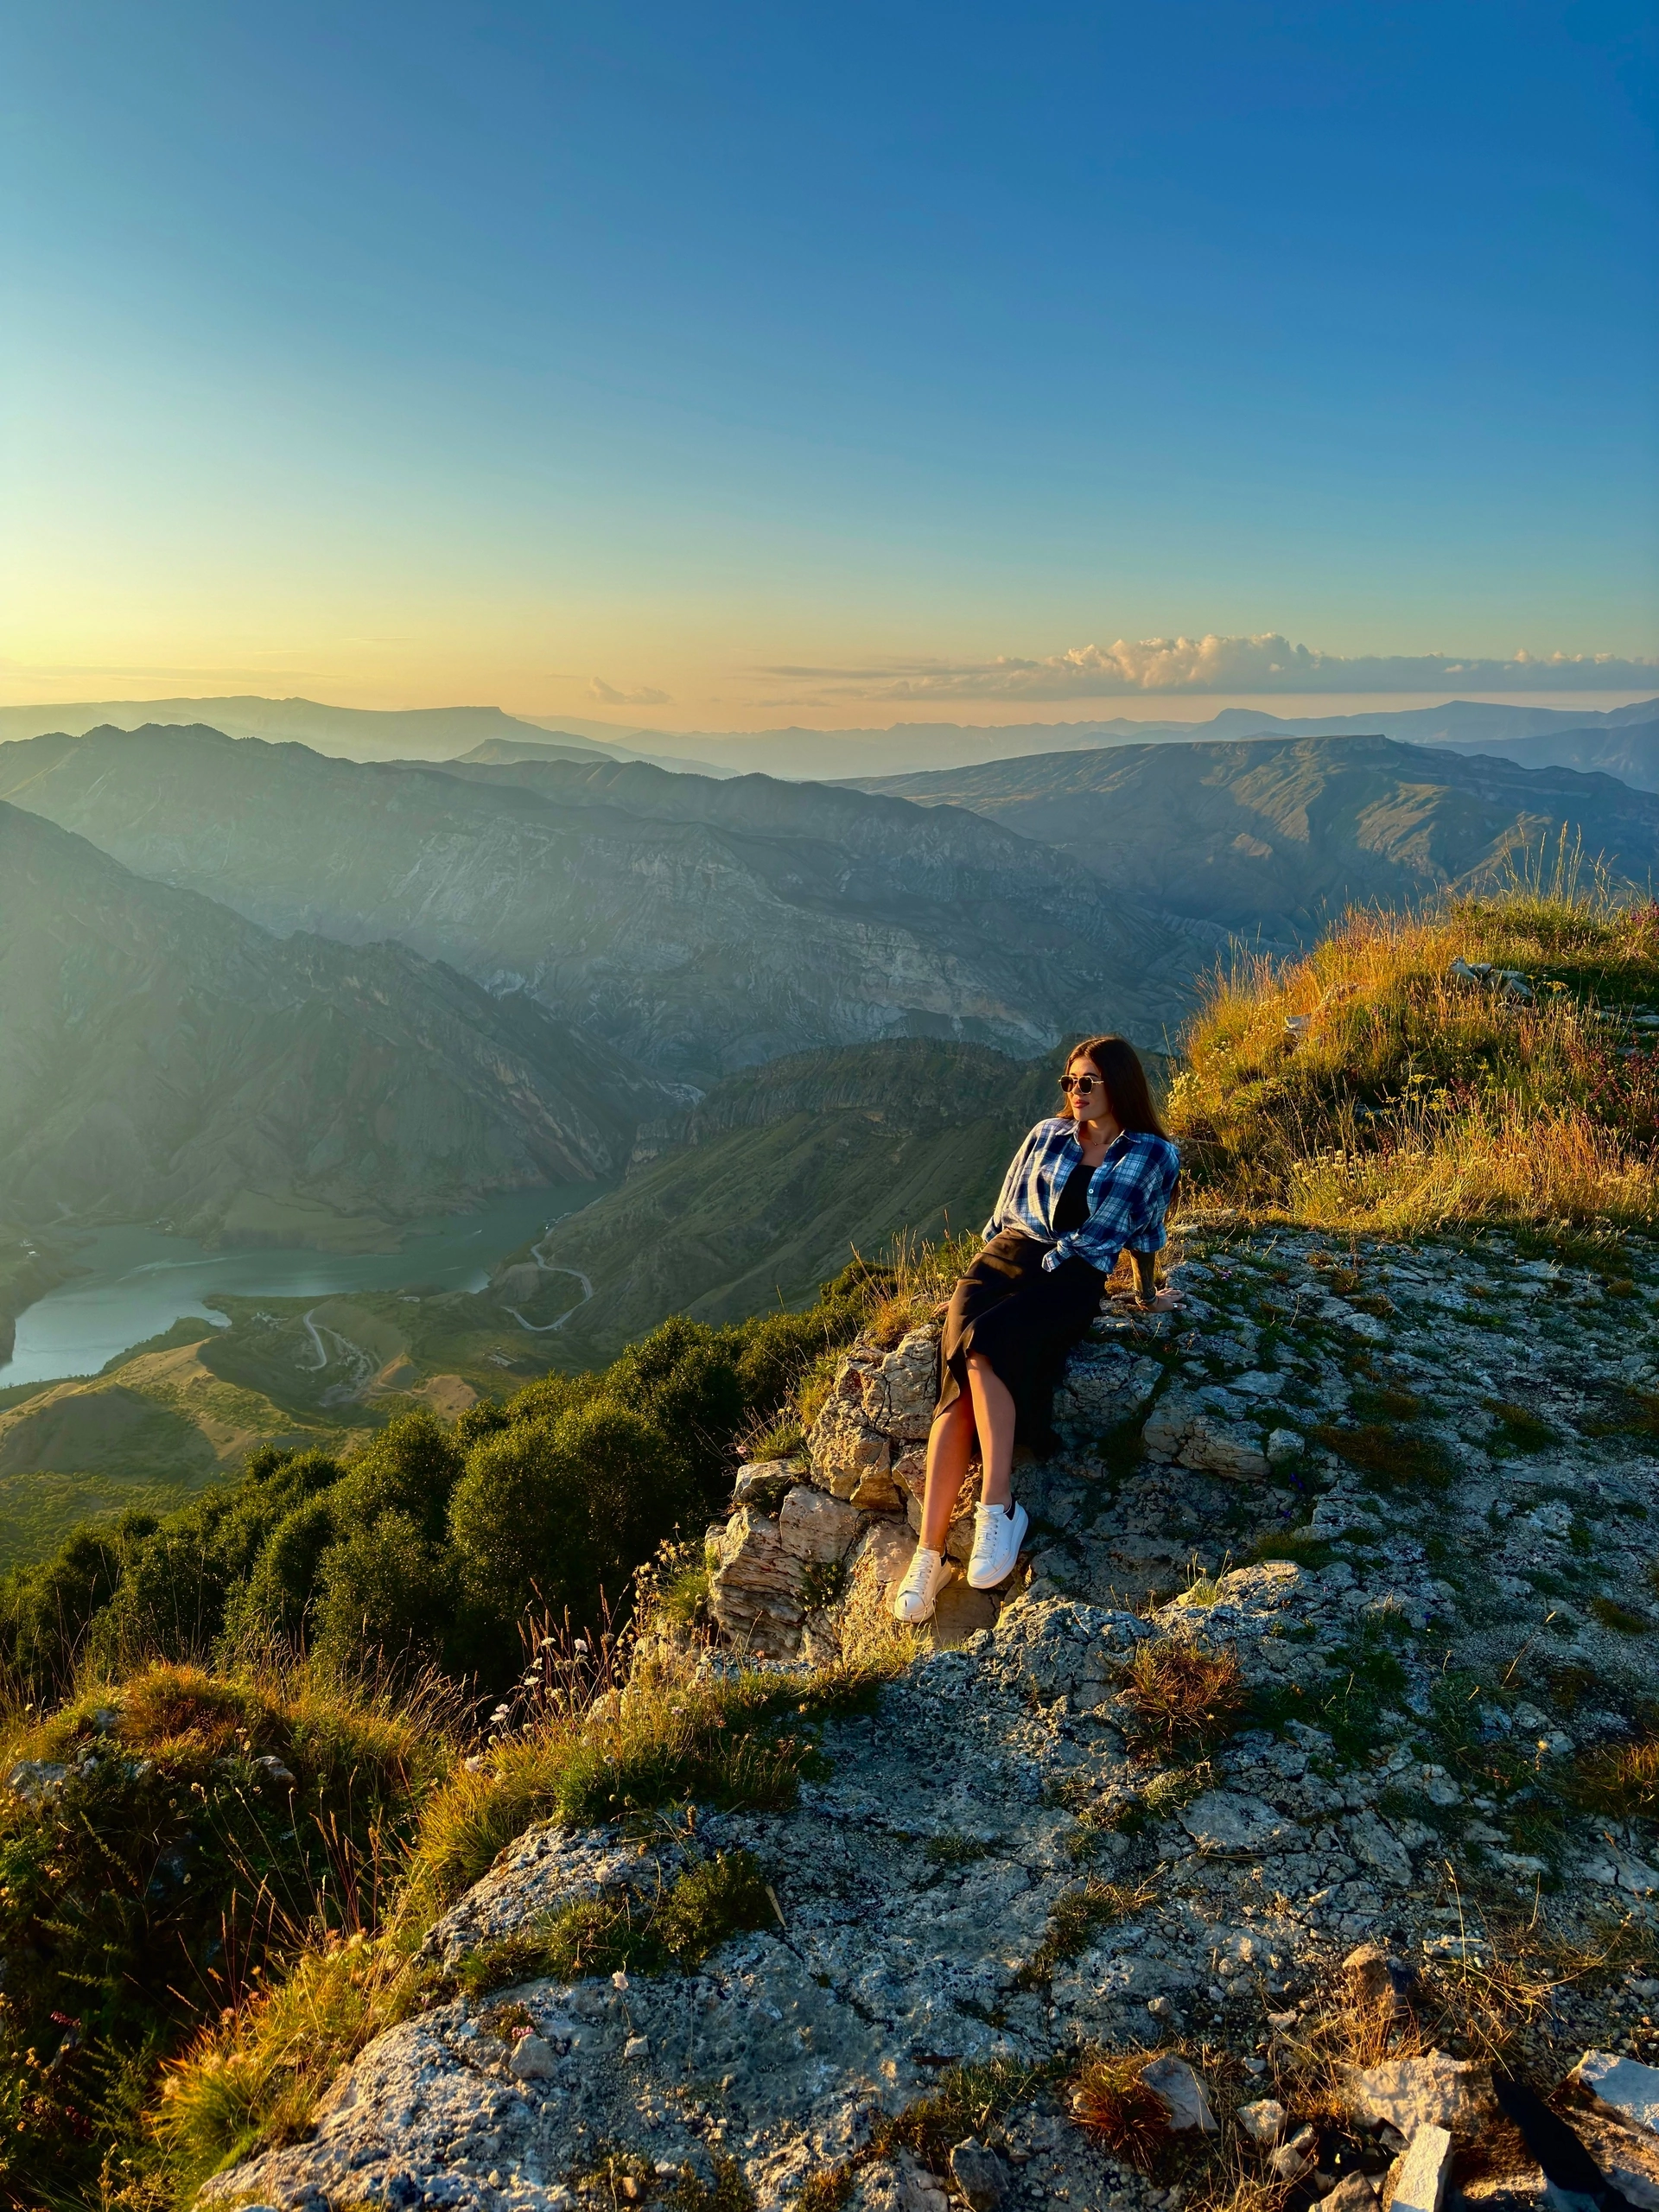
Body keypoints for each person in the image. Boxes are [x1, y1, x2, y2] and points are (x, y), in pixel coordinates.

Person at [892, 1034, 1179, 1624]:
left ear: (1118, 1085)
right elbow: (1002, 1216)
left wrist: (1148, 1294)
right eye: (1069, 1082)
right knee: (958, 1389)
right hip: (1002, 1261)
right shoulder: (1044, 1136)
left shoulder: (1150, 1153)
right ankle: (929, 1552)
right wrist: (984, 1272)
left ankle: (997, 1508)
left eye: (1088, 1082)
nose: (1075, 1092)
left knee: (985, 1352)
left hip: (1071, 1276)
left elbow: (1143, 1232)